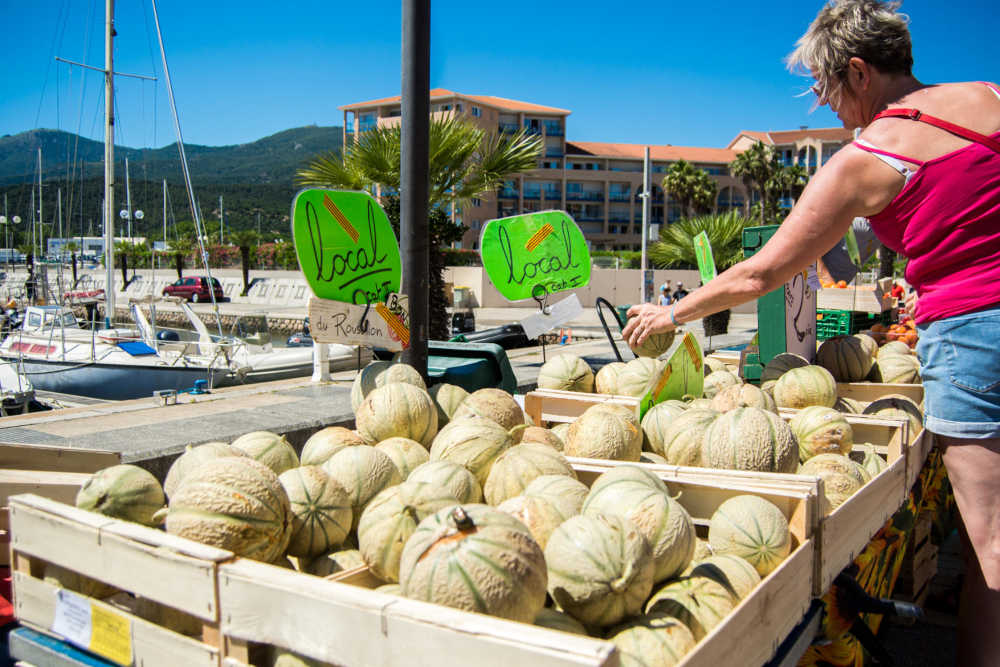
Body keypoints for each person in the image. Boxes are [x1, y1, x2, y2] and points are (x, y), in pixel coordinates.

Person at [623, 3, 1000, 663]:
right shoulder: (988, 94)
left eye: (827, 90)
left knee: (990, 540)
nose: (828, 107)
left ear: (858, 72)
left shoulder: (870, 155)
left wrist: (670, 314)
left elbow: (761, 272)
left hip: (976, 334)